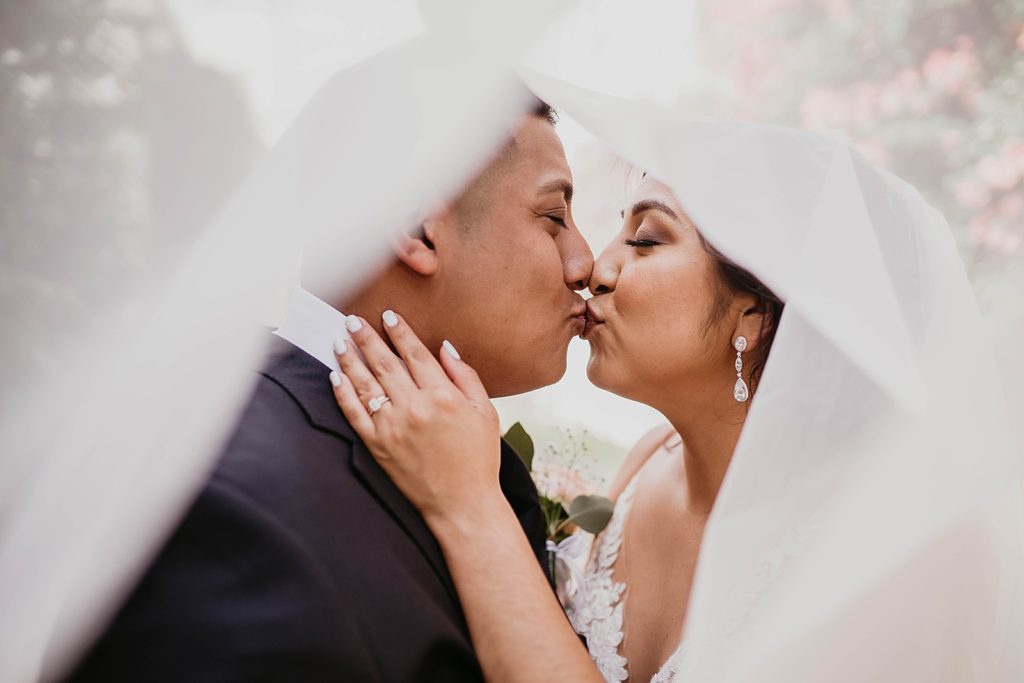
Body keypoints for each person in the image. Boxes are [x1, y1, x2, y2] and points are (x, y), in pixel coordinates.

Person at [66, 83, 595, 682]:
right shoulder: (220, 501)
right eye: (554, 218)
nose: (585, 264)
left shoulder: (486, 466)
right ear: (419, 230)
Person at [329, 172, 782, 682]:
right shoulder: (645, 463)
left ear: (753, 316)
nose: (597, 269)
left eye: (645, 241)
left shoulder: (839, 546)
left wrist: (468, 502)